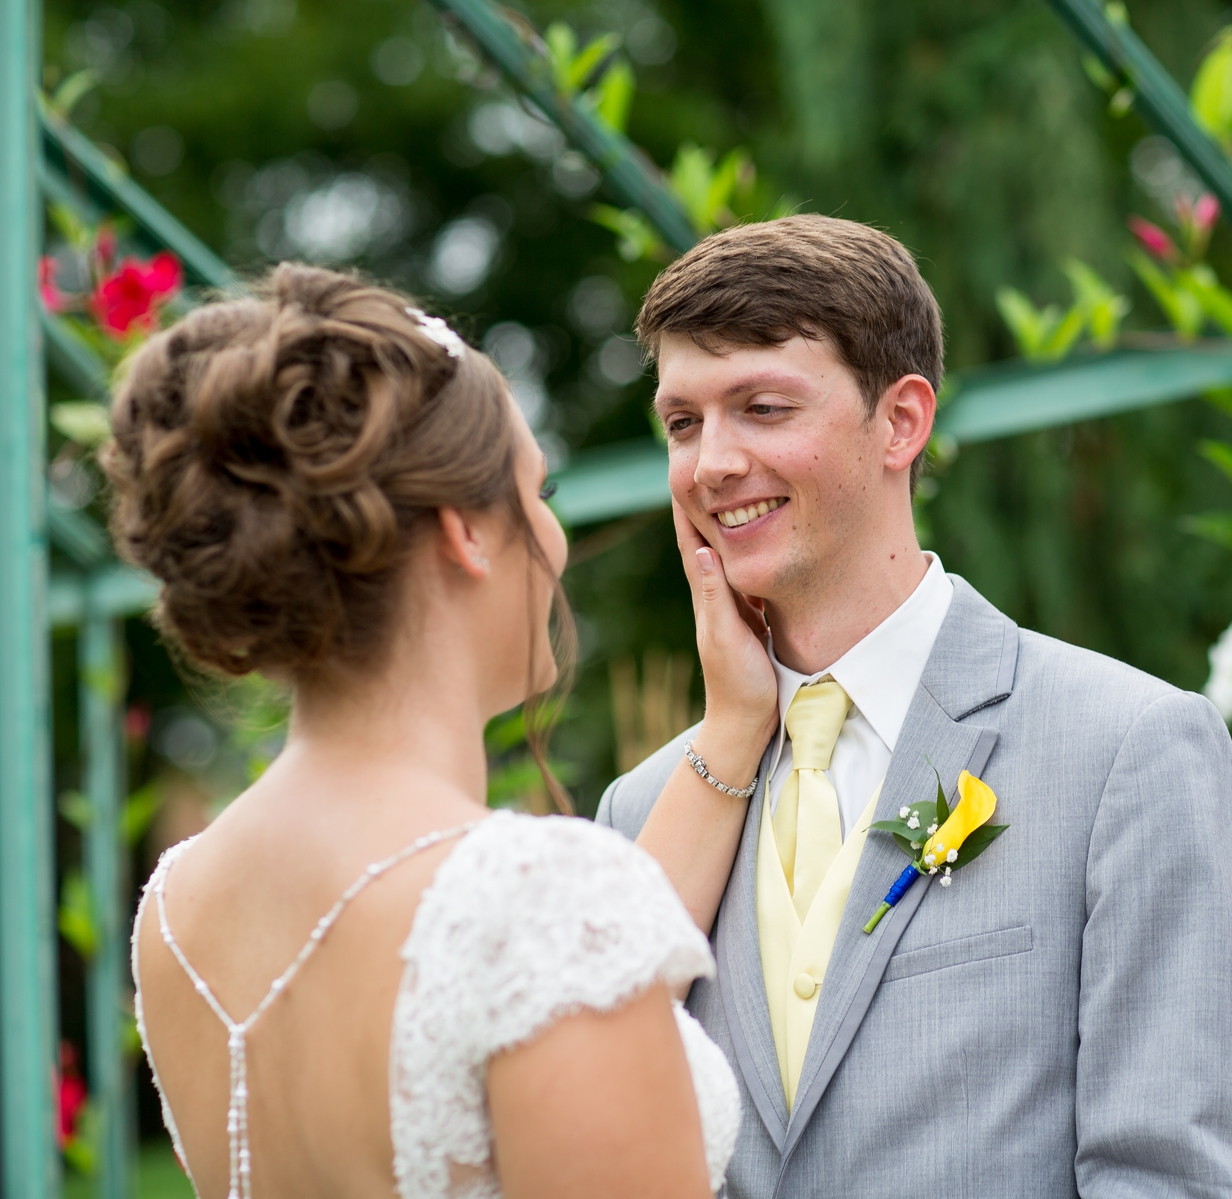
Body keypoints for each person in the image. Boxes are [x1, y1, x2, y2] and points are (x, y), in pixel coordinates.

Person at [598, 214, 1232, 1197]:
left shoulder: (1128, 746)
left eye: (763, 407)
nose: (710, 464)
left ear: (902, 421)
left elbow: (1173, 1181)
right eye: (683, 421)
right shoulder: (643, 808)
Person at [113, 264, 775, 1198]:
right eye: (536, 491)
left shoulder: (179, 909)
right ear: (467, 528)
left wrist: (735, 728)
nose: (551, 536)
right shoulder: (537, 899)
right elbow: (522, 952)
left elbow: (520, 1000)